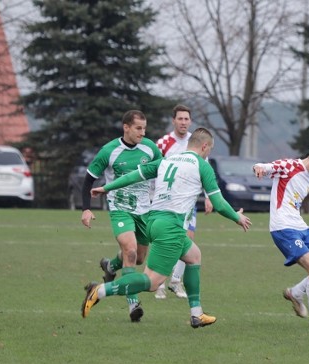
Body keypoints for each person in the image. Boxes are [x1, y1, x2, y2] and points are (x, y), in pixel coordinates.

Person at [82, 127, 251, 328]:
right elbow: (220, 203)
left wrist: (107, 187)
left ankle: (196, 314)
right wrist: (237, 217)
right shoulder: (201, 165)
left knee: (194, 256)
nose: (208, 154)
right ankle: (100, 290)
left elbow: (135, 175)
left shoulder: (167, 160)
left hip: (154, 220)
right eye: (209, 150)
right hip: (171, 226)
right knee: (152, 282)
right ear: (204, 146)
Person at [81, 110, 162, 322]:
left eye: (144, 128)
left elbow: (162, 172)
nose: (142, 133)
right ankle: (133, 304)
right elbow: (89, 179)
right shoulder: (109, 151)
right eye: (138, 128)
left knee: (141, 257)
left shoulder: (151, 148)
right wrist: (86, 209)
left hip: (145, 210)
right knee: (131, 251)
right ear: (125, 127)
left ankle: (110, 266)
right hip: (120, 208)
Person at [253, 139, 309, 332]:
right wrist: (258, 168)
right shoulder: (289, 166)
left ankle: (295, 293)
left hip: (301, 226)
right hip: (283, 229)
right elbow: (266, 166)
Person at [153, 104, 213, 300]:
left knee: (187, 238)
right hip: (165, 202)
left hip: (187, 202)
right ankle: (159, 282)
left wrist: (209, 196)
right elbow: (155, 168)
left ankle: (175, 282)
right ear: (173, 121)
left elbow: (204, 169)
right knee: (166, 240)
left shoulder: (196, 142)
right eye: (180, 119)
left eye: (187, 119)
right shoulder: (163, 143)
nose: (184, 122)